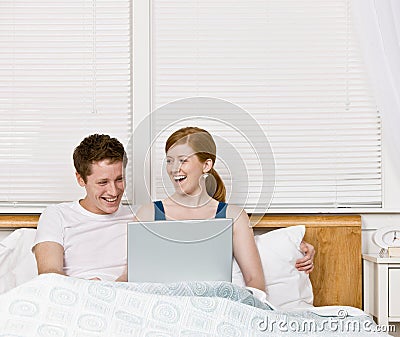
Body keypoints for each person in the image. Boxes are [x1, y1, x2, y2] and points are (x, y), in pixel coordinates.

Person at [135, 127, 315, 291]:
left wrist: (294, 246)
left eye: (183, 161)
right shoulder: (147, 214)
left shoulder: (233, 216)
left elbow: (254, 280)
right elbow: (132, 277)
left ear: (206, 165)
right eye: (169, 161)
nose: (174, 169)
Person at [33, 134, 133, 281]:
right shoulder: (57, 215)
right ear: (81, 179)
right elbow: (49, 275)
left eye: (119, 179)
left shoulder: (140, 216)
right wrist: (88, 287)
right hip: (76, 295)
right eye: (103, 182)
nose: (114, 191)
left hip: (128, 295)